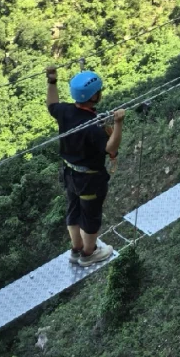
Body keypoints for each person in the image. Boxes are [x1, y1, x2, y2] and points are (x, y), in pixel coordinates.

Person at [46, 67, 123, 265]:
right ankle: (89, 253)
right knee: (90, 214)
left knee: (74, 210)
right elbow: (110, 148)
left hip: (69, 173)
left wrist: (52, 82)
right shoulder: (93, 127)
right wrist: (118, 124)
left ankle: (76, 248)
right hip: (89, 179)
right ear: (94, 96)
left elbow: (52, 104)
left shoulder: (65, 111)